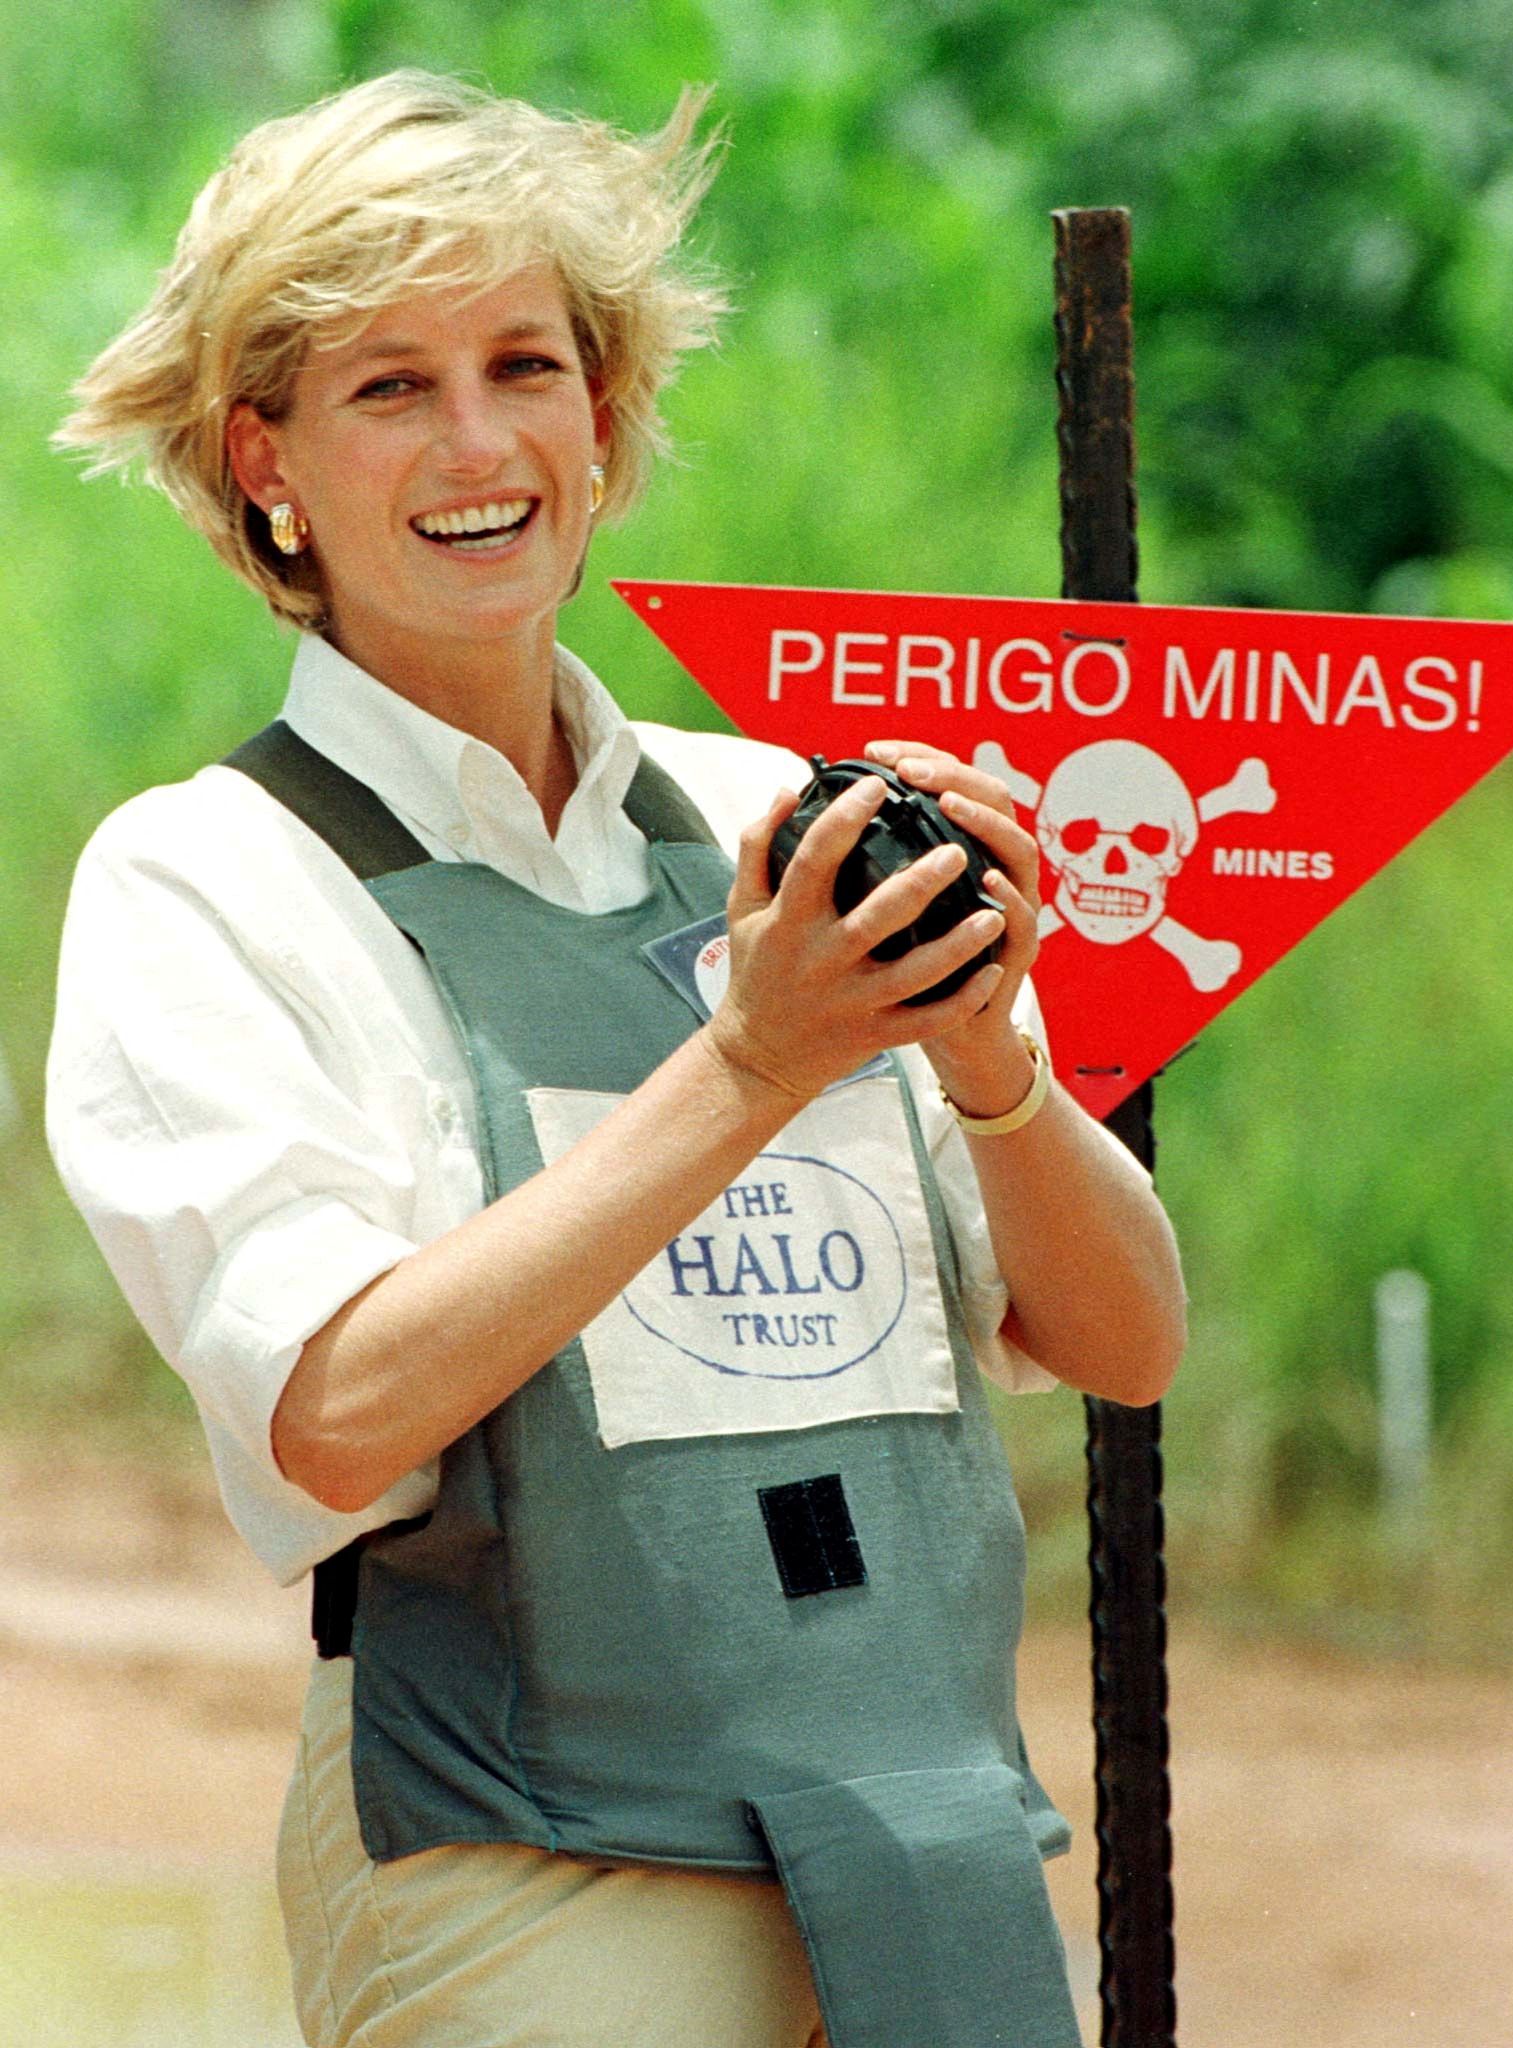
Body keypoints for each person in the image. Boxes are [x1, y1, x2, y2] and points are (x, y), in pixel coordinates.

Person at [47, 70, 1186, 2048]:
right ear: (263, 463)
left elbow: (1127, 1338)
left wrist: (984, 1049)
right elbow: (336, 1407)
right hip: (526, 1851)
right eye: (388, 386)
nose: (477, 440)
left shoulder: (776, 811)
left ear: (604, 418)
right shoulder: (202, 878)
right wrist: (746, 1061)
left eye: (524, 365)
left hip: (923, 1837)